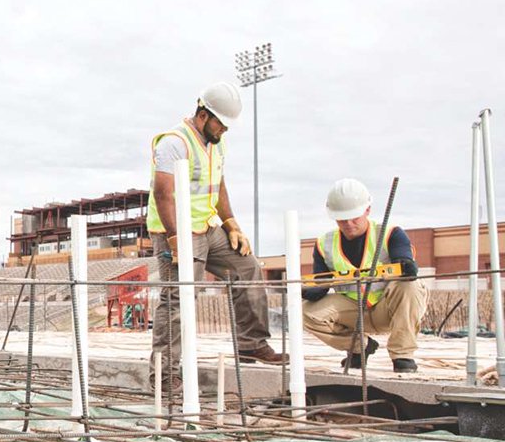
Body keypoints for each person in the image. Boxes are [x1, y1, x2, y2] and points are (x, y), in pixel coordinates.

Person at [147, 82, 287, 387]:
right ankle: (164, 374)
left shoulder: (217, 143)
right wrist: (175, 239)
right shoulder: (173, 143)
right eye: (220, 124)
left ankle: (251, 344)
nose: (223, 130)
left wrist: (231, 223)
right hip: (177, 228)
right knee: (179, 298)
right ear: (202, 115)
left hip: (208, 226)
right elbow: (163, 194)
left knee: (247, 268)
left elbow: (218, 185)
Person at [302, 179, 425, 373]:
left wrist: (405, 264)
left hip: (388, 308)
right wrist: (310, 290)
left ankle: (402, 355)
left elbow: (405, 264)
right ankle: (360, 347)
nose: (348, 224)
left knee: (409, 285)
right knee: (304, 312)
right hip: (353, 310)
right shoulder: (324, 244)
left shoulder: (390, 234)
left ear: (367, 210)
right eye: (342, 219)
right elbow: (321, 282)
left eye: (354, 218)